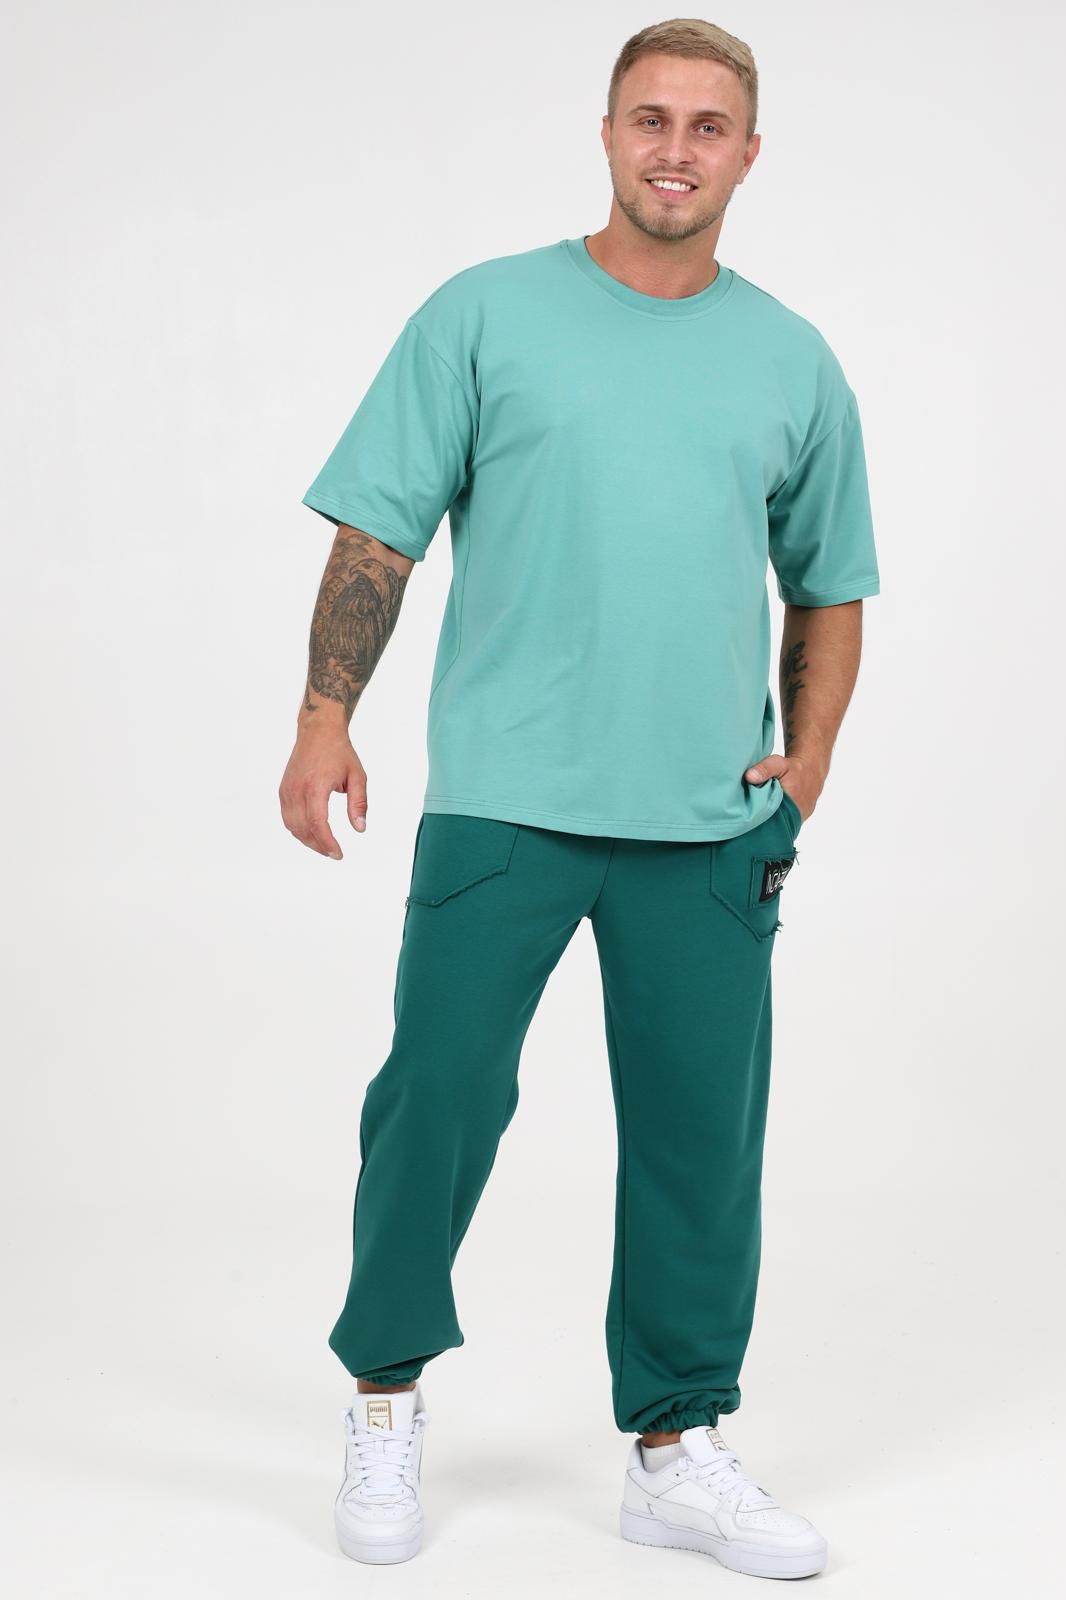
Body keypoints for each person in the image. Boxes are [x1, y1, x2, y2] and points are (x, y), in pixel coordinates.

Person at [279, 16, 880, 1580]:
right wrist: (325, 718)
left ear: (749, 154)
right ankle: (385, 1394)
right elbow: (379, 534)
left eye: (707, 126)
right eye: (650, 119)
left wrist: (808, 762)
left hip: (709, 825)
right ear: (607, 134)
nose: (676, 149)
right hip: (507, 802)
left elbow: (830, 584)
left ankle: (677, 1447)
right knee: (436, 1102)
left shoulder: (792, 358)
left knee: (700, 1144)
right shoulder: (484, 314)